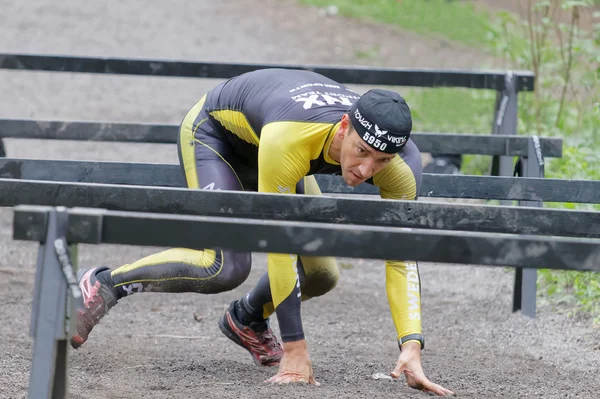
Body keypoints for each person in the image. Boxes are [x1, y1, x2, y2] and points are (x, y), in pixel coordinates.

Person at [71, 68, 454, 396]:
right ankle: (106, 283)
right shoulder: (292, 138)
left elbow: (402, 256)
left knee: (321, 274)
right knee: (222, 266)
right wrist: (295, 350)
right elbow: (279, 242)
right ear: (343, 127)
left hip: (279, 150)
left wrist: (412, 345)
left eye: (381, 161)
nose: (366, 170)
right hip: (217, 137)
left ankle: (247, 319)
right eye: (361, 152)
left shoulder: (402, 169)